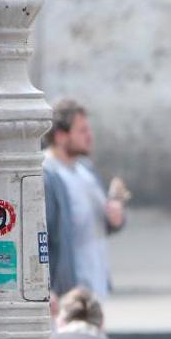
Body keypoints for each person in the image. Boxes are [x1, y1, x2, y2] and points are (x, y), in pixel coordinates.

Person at [43, 98, 127, 302]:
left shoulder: (86, 170)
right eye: (81, 131)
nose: (89, 137)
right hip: (68, 292)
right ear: (61, 136)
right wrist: (47, 289)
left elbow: (102, 222)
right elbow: (40, 237)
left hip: (96, 284)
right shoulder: (46, 175)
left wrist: (116, 217)